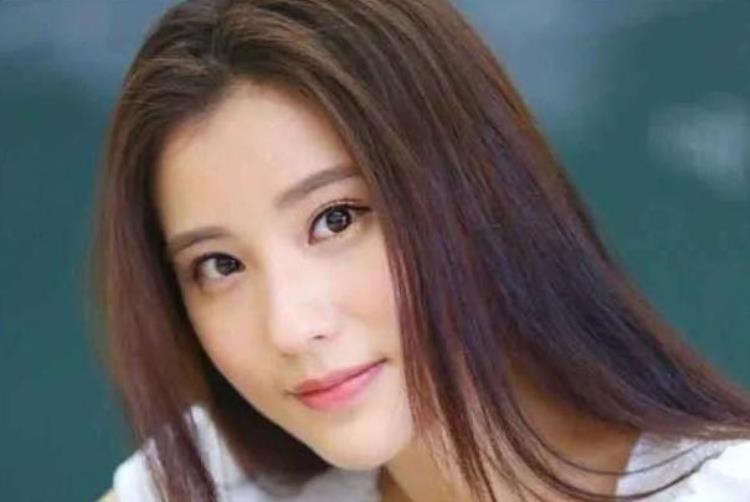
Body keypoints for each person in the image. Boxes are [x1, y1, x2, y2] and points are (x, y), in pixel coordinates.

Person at [92, 0, 750, 500]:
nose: (290, 327)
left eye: (336, 220)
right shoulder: (207, 483)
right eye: (220, 266)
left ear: (477, 190)